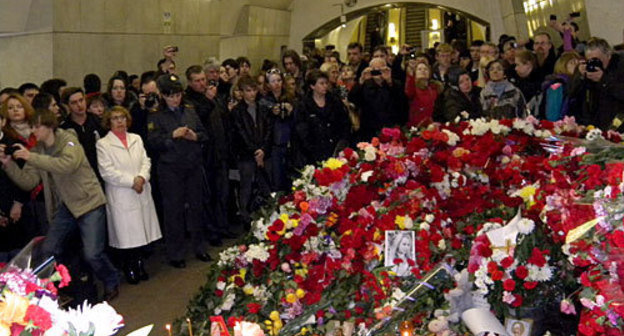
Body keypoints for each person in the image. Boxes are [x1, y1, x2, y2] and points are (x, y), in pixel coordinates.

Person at [0, 108, 120, 301]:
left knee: (92, 254)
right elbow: (29, 181)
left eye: (36, 126)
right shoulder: (37, 149)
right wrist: (9, 165)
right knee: (49, 249)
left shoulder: (69, 139)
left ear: (48, 126)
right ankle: (73, 284)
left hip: (88, 202)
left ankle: (111, 279)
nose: (33, 131)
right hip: (65, 207)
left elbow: (67, 164)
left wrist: (31, 157)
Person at [147, 74, 211, 268]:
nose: (176, 99)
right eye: (171, 96)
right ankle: (176, 253)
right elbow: (152, 142)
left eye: (178, 95)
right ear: (164, 96)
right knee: (173, 211)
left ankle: (199, 247)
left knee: (196, 207)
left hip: (192, 165)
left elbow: (204, 133)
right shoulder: (156, 114)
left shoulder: (190, 110)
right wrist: (171, 136)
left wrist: (195, 136)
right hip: (170, 168)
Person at [96, 106, 161, 285]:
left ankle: (140, 263)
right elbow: (107, 172)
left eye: (123, 117)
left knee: (141, 231)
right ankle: (129, 266)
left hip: (141, 190)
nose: (120, 121)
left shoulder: (136, 138)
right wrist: (132, 181)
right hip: (122, 192)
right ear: (108, 122)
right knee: (127, 234)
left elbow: (145, 161)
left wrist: (142, 177)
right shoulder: (103, 144)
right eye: (115, 118)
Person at [231, 76, 273, 227]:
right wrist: (255, 151)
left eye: (254, 90)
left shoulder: (262, 108)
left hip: (263, 153)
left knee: (265, 185)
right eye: (248, 90)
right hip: (246, 155)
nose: (252, 94)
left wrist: (263, 150)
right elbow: (240, 134)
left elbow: (269, 130)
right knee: (246, 187)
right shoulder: (237, 111)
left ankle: (266, 215)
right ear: (242, 92)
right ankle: (245, 217)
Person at [294, 69, 350, 167]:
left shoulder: (334, 101)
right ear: (312, 86)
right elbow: (301, 131)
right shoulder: (303, 105)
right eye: (321, 83)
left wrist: (341, 143)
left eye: (326, 83)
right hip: (313, 152)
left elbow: (344, 122)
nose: (325, 86)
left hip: (335, 148)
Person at [568, 37, 624, 130]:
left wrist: (603, 79)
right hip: (594, 124)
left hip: (618, 124)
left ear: (609, 55)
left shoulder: (620, 66)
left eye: (597, 60)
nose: (594, 64)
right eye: (590, 60)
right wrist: (579, 77)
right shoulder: (586, 70)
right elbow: (571, 94)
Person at [349, 57, 407, 142]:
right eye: (374, 70)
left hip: (391, 128)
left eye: (380, 70)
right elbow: (352, 99)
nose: (377, 73)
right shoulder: (364, 85)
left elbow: (402, 103)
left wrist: (389, 81)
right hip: (369, 130)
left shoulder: (395, 84)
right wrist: (361, 81)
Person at [60, 87, 106, 183]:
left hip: (100, 172)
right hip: (78, 176)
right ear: (68, 106)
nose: (79, 105)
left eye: (81, 100)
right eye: (74, 103)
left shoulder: (99, 122)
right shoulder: (64, 128)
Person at [261, 68, 295, 192]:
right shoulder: (264, 101)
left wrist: (291, 111)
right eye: (273, 81)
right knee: (275, 180)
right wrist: (271, 111)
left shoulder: (291, 98)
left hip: (289, 143)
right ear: (268, 85)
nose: (277, 84)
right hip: (273, 146)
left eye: (279, 80)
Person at [539, 51, 581, 121]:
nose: (576, 66)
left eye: (578, 63)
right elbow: (552, 115)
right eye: (572, 63)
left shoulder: (576, 84)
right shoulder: (557, 85)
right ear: (563, 65)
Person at [405, 60, 443, 127]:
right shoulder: (412, 87)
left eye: (425, 69)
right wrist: (410, 75)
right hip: (416, 126)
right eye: (419, 69)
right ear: (415, 73)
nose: (423, 71)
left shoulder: (435, 88)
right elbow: (409, 92)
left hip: (433, 125)